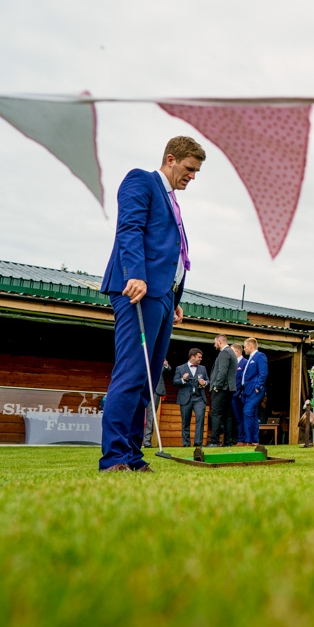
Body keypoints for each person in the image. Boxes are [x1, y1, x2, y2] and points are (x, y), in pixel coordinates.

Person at [97, 136, 205, 472]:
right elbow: (129, 229)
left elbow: (172, 250)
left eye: (197, 172)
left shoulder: (173, 200)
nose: (192, 176)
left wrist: (174, 297)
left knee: (146, 379)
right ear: (171, 159)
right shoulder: (141, 180)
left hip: (162, 296)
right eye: (189, 169)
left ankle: (132, 455)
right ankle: (113, 458)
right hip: (137, 290)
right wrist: (136, 275)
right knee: (131, 373)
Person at [207, 334, 239, 447]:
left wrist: (217, 386)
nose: (214, 344)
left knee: (215, 413)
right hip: (229, 388)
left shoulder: (224, 353)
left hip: (222, 388)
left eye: (215, 342)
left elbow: (222, 371)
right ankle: (228, 442)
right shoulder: (231, 352)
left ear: (220, 342)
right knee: (227, 415)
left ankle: (214, 442)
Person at [174, 348, 209, 447]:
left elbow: (208, 380)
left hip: (199, 398)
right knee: (185, 422)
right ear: (192, 357)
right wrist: (183, 379)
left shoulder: (202, 368)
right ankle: (186, 444)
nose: (200, 359)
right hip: (185, 398)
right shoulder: (180, 368)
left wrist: (204, 383)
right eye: (199, 357)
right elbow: (175, 382)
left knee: (200, 419)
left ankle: (198, 443)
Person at [239, 337, 268, 446]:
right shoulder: (250, 358)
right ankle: (255, 440)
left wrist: (258, 386)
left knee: (247, 412)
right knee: (253, 415)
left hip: (254, 390)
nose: (244, 349)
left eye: (245, 346)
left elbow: (263, 373)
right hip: (247, 391)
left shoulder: (260, 356)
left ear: (251, 346)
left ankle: (248, 440)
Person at [142, 359, 172, 448]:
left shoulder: (158, 359)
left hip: (155, 391)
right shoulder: (144, 358)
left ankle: (147, 441)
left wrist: (165, 364)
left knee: (151, 416)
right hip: (143, 389)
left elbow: (167, 369)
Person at [230, 342, 246, 446]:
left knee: (241, 418)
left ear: (237, 351)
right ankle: (230, 439)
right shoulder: (232, 363)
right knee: (233, 418)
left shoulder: (245, 363)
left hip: (240, 395)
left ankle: (241, 440)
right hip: (231, 395)